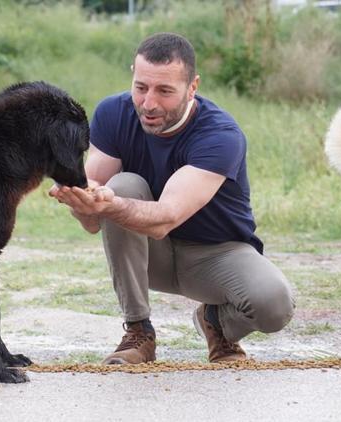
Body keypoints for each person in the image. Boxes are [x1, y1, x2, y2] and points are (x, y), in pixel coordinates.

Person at [49, 32, 294, 364]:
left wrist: (109, 204)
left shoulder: (220, 134)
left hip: (215, 257)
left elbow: (167, 217)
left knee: (275, 304)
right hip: (150, 257)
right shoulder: (112, 113)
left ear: (192, 87)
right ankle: (138, 332)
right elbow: (94, 221)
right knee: (122, 185)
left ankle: (215, 323)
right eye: (141, 87)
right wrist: (80, 200)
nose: (149, 103)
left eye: (165, 91)